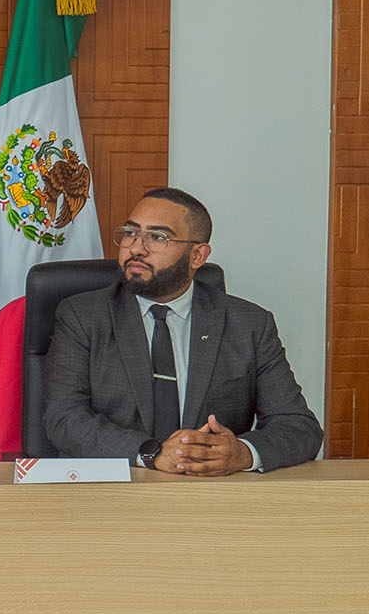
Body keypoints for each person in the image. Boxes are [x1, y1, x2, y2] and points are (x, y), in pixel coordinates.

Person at [43, 186, 323, 474]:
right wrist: (152, 453)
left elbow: (299, 427)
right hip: (115, 491)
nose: (136, 248)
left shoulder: (249, 324)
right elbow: (64, 418)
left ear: (197, 256)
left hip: (210, 497)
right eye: (130, 232)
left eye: (157, 237)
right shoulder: (84, 316)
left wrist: (243, 453)